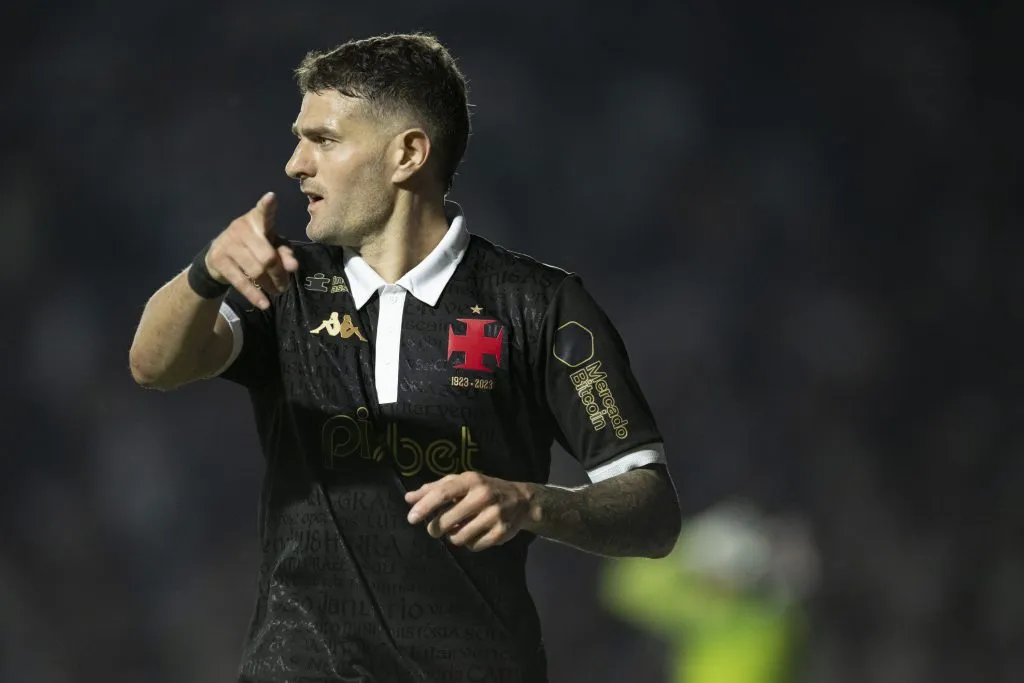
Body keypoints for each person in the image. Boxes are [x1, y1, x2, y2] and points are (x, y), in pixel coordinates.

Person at [129, 32, 681, 683]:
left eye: (324, 140)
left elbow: (651, 509)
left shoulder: (538, 305)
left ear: (408, 154)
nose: (294, 164)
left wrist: (533, 503)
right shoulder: (286, 284)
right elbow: (153, 363)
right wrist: (205, 272)